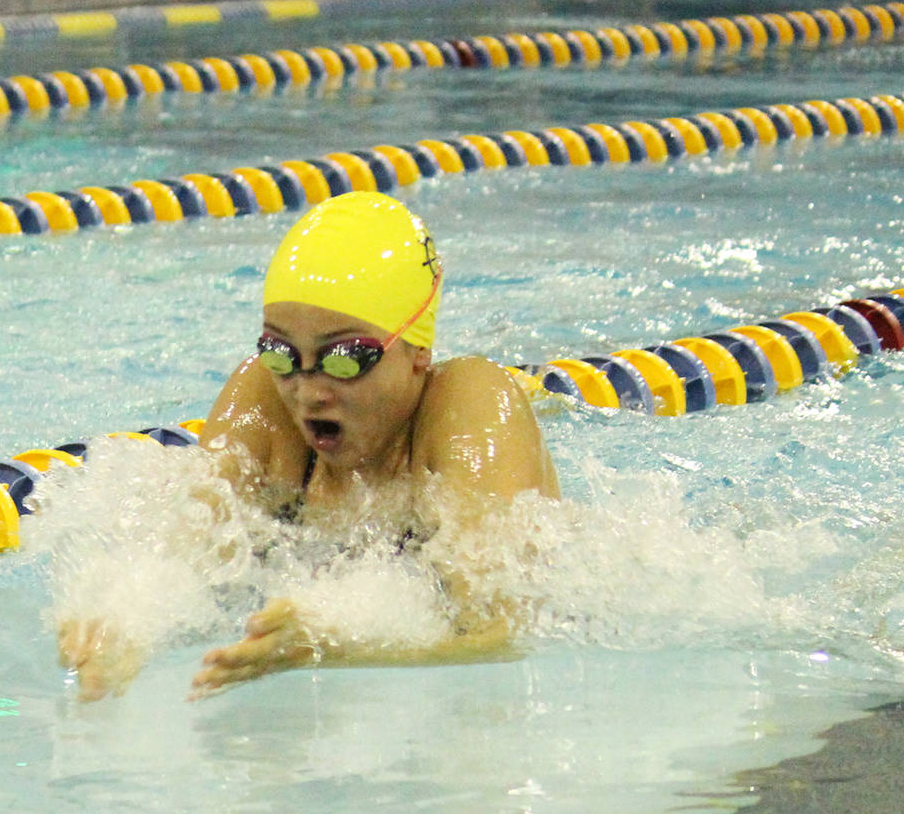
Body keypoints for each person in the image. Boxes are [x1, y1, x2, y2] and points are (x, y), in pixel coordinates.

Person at [57, 191, 559, 700]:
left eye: (345, 358)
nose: (308, 390)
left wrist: (335, 647)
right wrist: (123, 625)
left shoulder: (469, 409)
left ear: (417, 349)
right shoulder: (266, 402)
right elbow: (187, 554)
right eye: (281, 353)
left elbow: (502, 633)